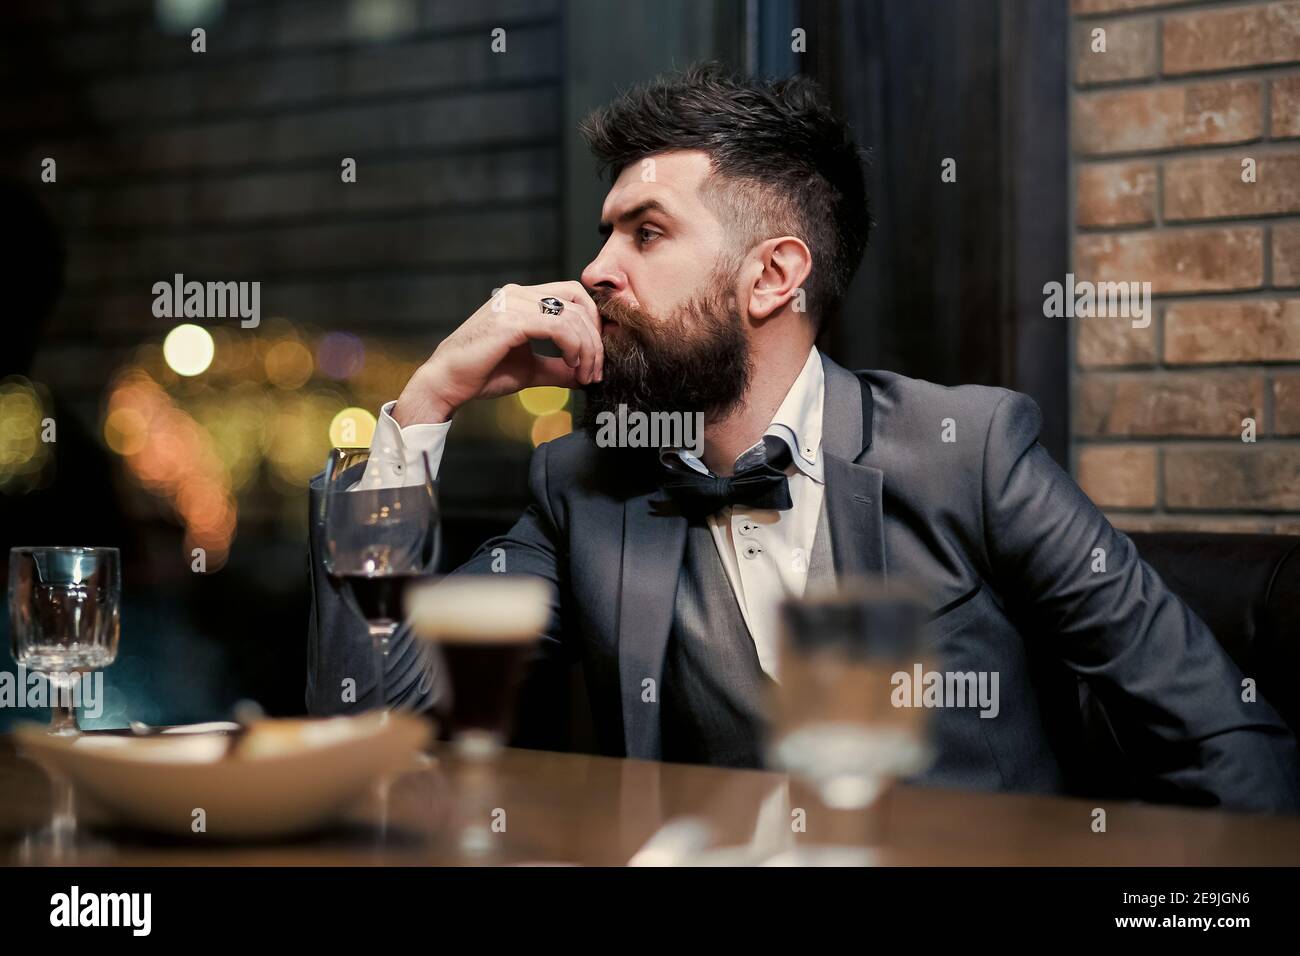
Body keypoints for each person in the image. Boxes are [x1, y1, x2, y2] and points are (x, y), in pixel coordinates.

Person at [306, 64, 1298, 812]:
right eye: (605, 234)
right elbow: (367, 713)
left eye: (644, 233)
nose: (595, 270)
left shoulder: (970, 451)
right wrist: (422, 407)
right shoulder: (580, 488)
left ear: (773, 276)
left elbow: (1223, 731)